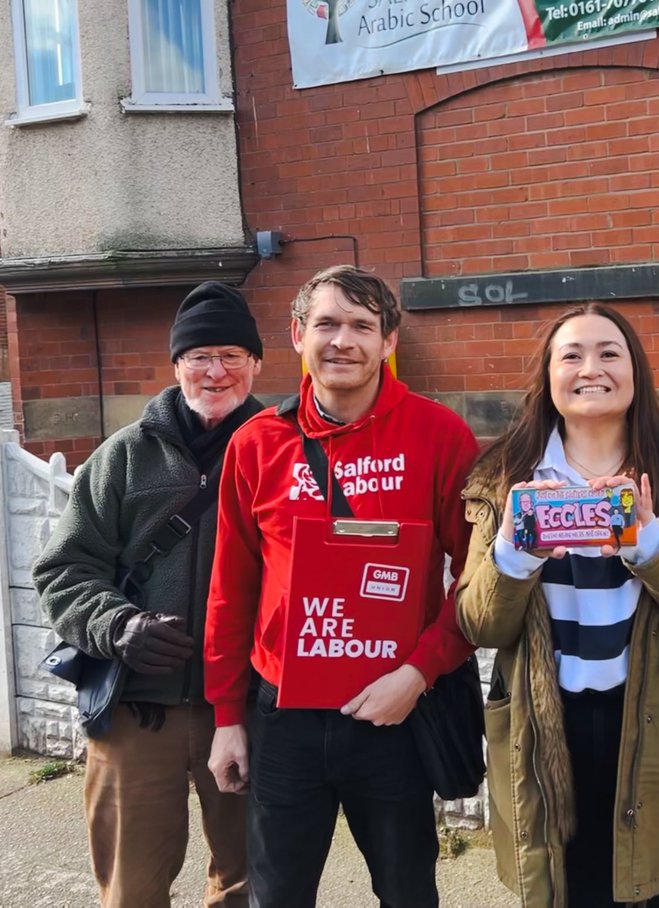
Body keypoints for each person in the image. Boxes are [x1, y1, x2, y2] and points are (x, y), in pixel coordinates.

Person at [456, 303, 659, 908]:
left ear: (636, 371)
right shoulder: (506, 476)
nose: (591, 368)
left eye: (609, 353)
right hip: (544, 722)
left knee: (649, 889)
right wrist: (514, 552)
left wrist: (650, 543)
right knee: (562, 888)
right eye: (572, 355)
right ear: (549, 377)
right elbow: (479, 623)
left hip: (655, 718)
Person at [203, 265, 479, 908]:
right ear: (298, 334)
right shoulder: (256, 443)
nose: (342, 340)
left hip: (393, 710)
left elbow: (478, 579)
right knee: (276, 896)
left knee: (408, 892)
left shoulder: (439, 436)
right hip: (282, 714)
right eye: (326, 323)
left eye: (362, 325)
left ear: (389, 342)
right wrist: (226, 718)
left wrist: (418, 674)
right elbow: (231, 586)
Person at [34, 281, 264, 907]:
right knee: (130, 888)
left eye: (232, 356)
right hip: (136, 712)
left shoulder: (285, 452)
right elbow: (62, 570)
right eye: (199, 356)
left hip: (247, 709)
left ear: (257, 364)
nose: (215, 372)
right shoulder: (123, 459)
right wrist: (118, 626)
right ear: (176, 365)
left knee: (252, 884)